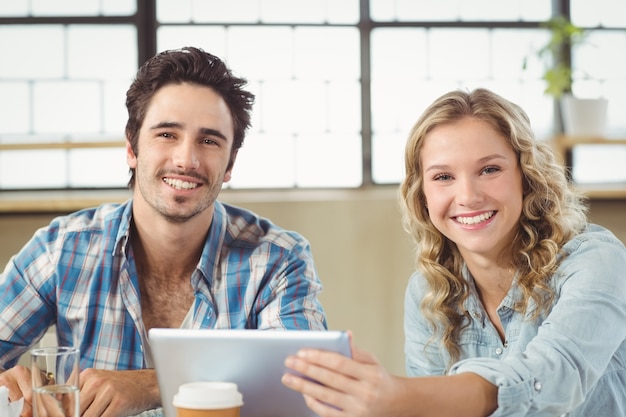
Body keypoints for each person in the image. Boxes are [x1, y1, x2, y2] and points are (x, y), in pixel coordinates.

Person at [0, 46, 327, 417]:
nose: (186, 160)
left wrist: (156, 383)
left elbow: (304, 390)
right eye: (167, 134)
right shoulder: (60, 249)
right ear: (131, 148)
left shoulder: (277, 258)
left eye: (209, 141)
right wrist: (10, 383)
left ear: (231, 162)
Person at [282, 88, 626, 416]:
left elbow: (555, 380)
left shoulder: (594, 259)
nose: (468, 195)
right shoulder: (426, 293)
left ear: (527, 176)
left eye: (489, 169)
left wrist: (402, 397)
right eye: (443, 176)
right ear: (422, 196)